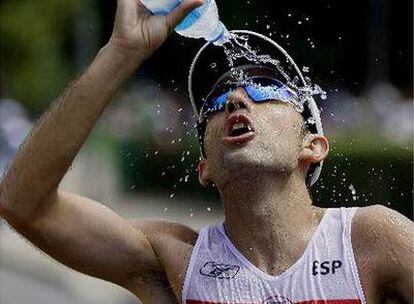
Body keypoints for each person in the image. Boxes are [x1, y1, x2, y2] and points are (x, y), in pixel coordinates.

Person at [0, 0, 412, 303]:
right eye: (214, 105)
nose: (235, 99)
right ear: (205, 168)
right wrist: (120, 54)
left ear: (313, 146)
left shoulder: (371, 239)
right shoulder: (176, 259)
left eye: (265, 89)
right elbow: (23, 203)